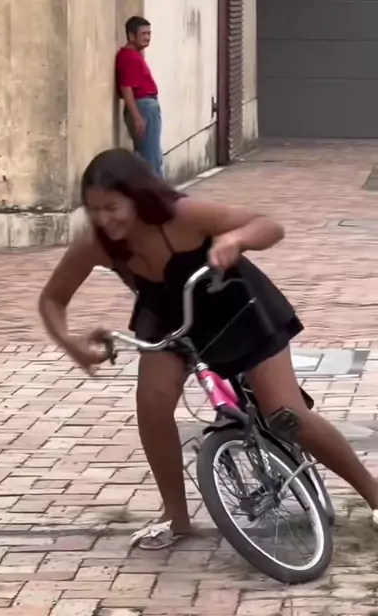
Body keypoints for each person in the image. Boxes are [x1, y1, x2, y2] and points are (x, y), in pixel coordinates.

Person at [39, 148, 378, 550]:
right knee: (151, 403)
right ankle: (175, 517)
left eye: (112, 207)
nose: (104, 219)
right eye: (94, 209)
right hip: (171, 319)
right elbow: (52, 299)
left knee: (286, 415)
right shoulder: (97, 243)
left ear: (138, 197)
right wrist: (70, 343)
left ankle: (373, 495)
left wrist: (236, 239)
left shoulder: (184, 215)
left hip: (236, 308)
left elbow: (268, 225)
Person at [115, 16, 163, 177]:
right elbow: (126, 88)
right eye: (143, 34)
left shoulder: (134, 55)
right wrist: (137, 118)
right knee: (150, 159)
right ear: (131, 35)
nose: (147, 37)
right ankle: (153, 190)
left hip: (145, 106)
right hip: (144, 107)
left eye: (149, 33)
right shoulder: (129, 57)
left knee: (150, 156)